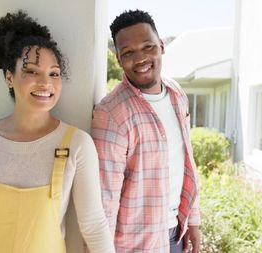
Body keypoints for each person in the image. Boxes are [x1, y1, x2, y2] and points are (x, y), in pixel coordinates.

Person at [0, 10, 115, 253]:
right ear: (9, 78)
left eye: (54, 73)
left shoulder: (76, 145)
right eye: (32, 71)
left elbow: (94, 225)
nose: (45, 83)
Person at [91, 9, 201, 253]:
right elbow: (104, 200)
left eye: (148, 46)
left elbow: (186, 162)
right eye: (128, 52)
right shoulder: (111, 114)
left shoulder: (177, 95)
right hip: (136, 246)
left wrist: (193, 220)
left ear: (161, 46)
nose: (140, 58)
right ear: (118, 59)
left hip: (176, 236)